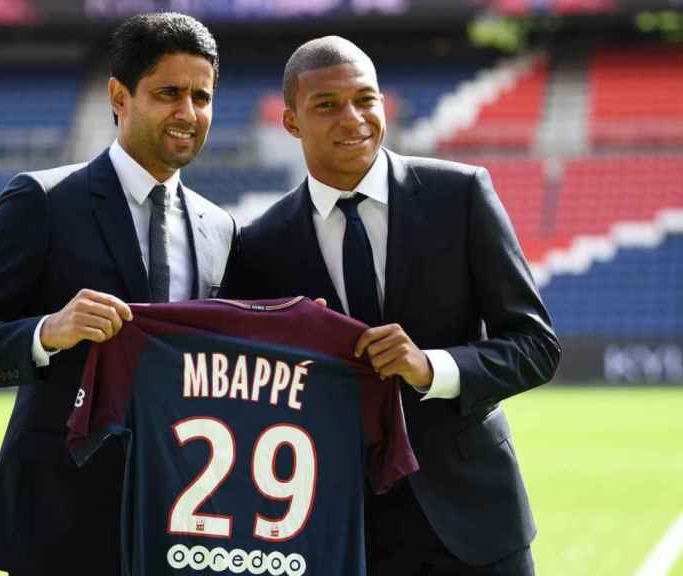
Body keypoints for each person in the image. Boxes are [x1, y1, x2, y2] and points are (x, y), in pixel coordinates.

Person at [220, 36, 560, 576]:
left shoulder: (462, 195)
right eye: (326, 105)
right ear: (291, 123)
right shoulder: (260, 245)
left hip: (474, 520)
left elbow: (536, 346)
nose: (352, 118)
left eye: (365, 99)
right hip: (340, 530)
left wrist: (432, 367)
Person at [0, 13, 234, 576]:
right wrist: (48, 332)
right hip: (61, 524)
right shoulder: (42, 200)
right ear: (119, 94)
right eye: (169, 93)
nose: (188, 114)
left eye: (202, 96)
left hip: (184, 521)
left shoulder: (220, 227)